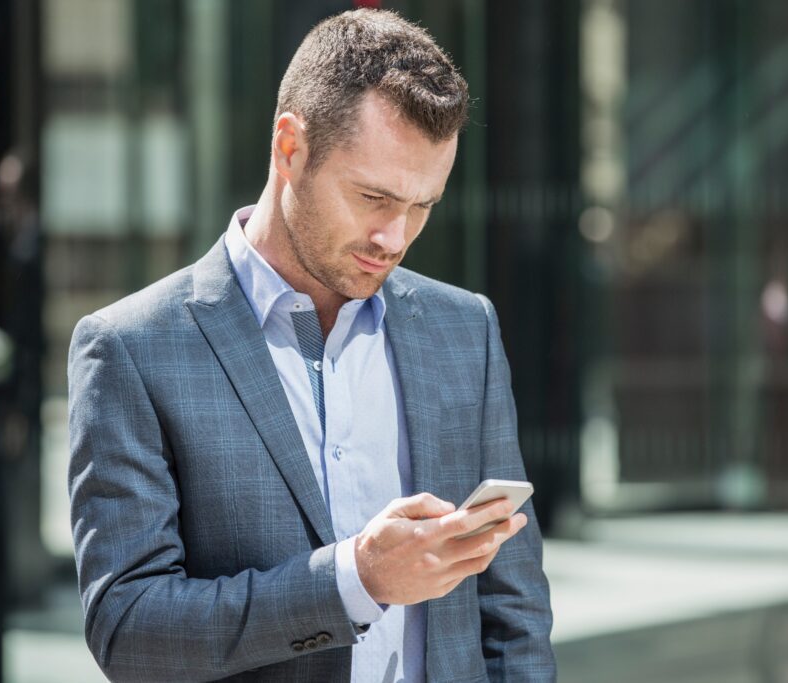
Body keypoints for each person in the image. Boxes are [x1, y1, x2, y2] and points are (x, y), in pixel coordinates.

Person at [68, 9, 554, 682]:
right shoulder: (133, 350)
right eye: (374, 196)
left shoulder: (463, 328)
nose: (395, 236)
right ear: (290, 147)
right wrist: (354, 578)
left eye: (423, 205)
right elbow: (130, 631)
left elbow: (514, 612)